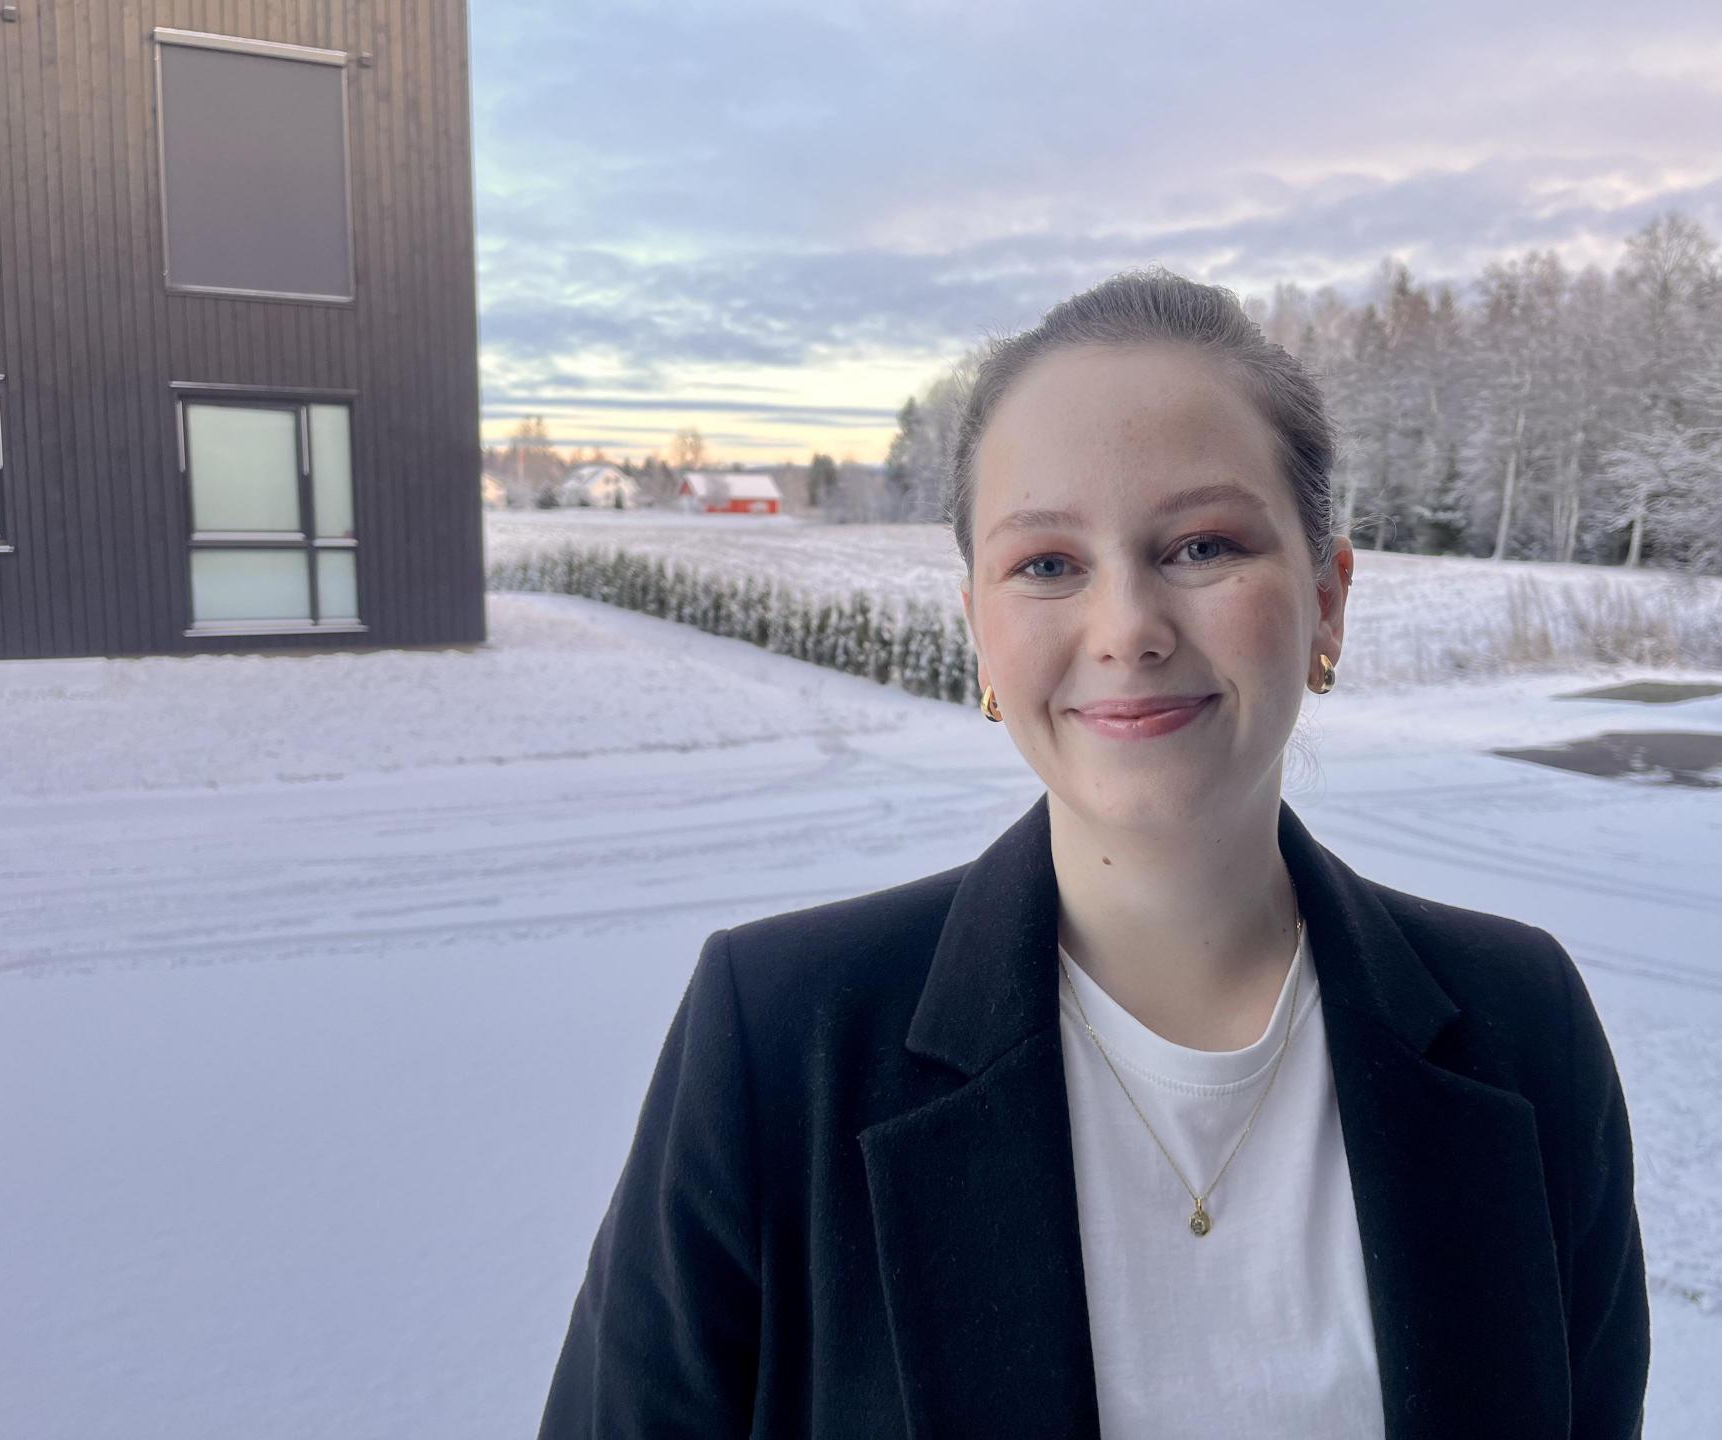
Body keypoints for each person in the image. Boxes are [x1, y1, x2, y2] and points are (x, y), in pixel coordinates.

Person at [536, 267, 1650, 1439]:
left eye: (1204, 545)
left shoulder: (1523, 1026)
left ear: (1327, 599)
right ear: (979, 627)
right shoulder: (778, 1042)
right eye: (1048, 564)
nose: (1128, 629)